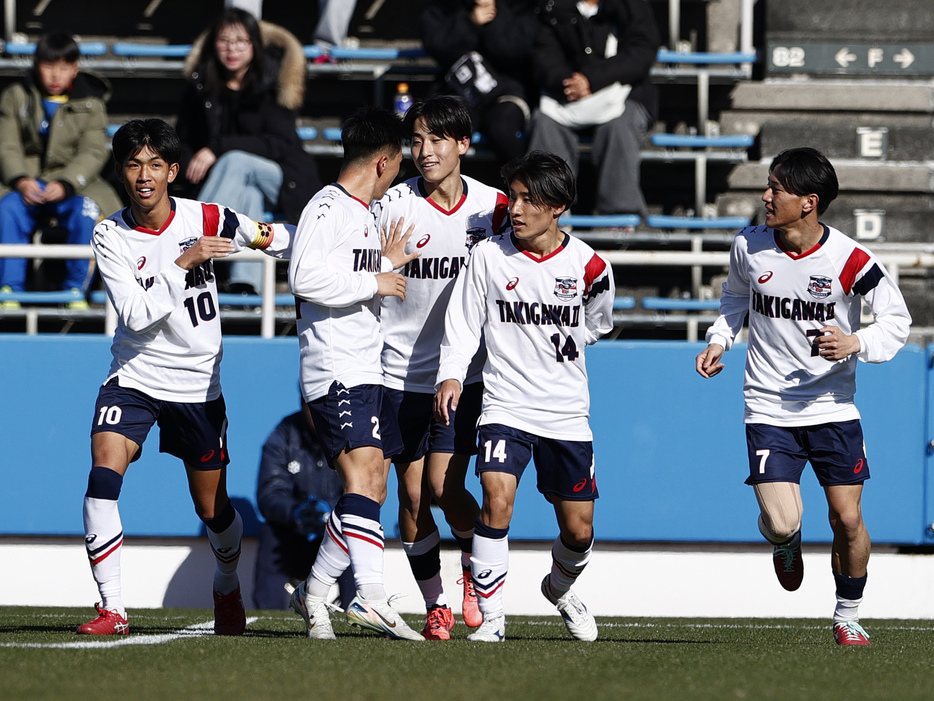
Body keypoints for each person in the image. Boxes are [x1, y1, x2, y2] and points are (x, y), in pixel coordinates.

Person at [77, 118, 293, 636]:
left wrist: (327, 242)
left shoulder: (208, 215)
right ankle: (113, 609)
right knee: (103, 475)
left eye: (155, 164)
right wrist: (185, 260)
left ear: (174, 171)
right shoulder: (110, 235)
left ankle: (225, 583)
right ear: (121, 172)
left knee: (213, 509)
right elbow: (135, 314)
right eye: (133, 164)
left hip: (198, 386)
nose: (144, 175)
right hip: (133, 376)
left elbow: (271, 238)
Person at [695, 147, 912, 647]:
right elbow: (734, 299)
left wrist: (856, 342)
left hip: (833, 407)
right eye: (767, 186)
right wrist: (718, 340)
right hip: (767, 404)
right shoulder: (749, 245)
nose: (765, 196)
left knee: (848, 518)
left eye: (777, 188)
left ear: (809, 202)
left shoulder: (851, 259)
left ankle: (847, 613)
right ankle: (785, 540)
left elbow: (898, 321)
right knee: (781, 519)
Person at [434, 150, 615, 642]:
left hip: (565, 413)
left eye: (528, 199)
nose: (515, 208)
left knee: (578, 532)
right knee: (496, 501)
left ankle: (559, 588)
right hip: (505, 404)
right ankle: (492, 620)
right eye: (513, 197)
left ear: (557, 207)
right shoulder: (488, 256)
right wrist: (451, 375)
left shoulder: (591, 267)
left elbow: (597, 325)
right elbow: (464, 324)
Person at [285, 107, 423, 642]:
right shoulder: (328, 205)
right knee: (362, 477)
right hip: (335, 369)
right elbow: (303, 275)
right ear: (384, 162)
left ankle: (315, 593)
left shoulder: (362, 213)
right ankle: (369, 593)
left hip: (368, 367)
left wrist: (381, 264)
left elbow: (348, 269)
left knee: (373, 487)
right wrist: (375, 281)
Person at [380, 95, 510, 639]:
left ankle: (475, 572)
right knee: (411, 498)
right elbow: (356, 270)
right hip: (396, 372)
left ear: (463, 144)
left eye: (436, 140)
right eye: (416, 140)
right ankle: (435, 604)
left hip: (466, 373)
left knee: (443, 487)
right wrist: (382, 264)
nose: (424, 151)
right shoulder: (391, 205)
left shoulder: (496, 207)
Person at [176, 7, 321, 295]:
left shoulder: (272, 83)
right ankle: (247, 287)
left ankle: (188, 241)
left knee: (236, 161)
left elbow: (280, 144)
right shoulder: (201, 86)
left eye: (241, 41)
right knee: (248, 197)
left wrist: (216, 149)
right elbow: (184, 139)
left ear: (255, 44)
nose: (232, 49)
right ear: (212, 44)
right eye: (224, 41)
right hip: (234, 184)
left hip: (282, 178)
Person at [0, 31, 122, 305]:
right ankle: (9, 289)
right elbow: (6, 145)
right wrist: (20, 179)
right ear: (36, 65)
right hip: (23, 183)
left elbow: (93, 151)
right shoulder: (15, 97)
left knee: (87, 212)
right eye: (48, 66)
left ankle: (75, 290)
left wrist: (67, 183)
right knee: (7, 209)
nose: (56, 75)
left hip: (77, 185)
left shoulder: (92, 104)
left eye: (64, 67)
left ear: (75, 69)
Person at [527, 0, 660, 217]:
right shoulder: (552, 6)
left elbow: (642, 51)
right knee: (544, 123)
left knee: (620, 125)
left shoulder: (632, 6)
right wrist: (568, 84)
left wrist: (592, 80)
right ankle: (549, 214)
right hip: (566, 94)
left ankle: (620, 217)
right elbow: (542, 54)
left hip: (625, 92)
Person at [253, 399, 354, 610]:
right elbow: (269, 493)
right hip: (294, 535)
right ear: (303, 403)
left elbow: (363, 492)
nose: (321, 414)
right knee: (271, 533)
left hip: (335, 534)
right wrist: (296, 513)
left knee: (354, 534)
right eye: (315, 407)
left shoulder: (351, 435)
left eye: (328, 406)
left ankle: (357, 611)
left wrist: (330, 513)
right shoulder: (283, 434)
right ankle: (268, 616)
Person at [420, 0, 539, 164]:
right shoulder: (444, 6)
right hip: (458, 91)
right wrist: (469, 22)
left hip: (507, 92)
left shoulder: (520, 7)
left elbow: (515, 52)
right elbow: (436, 46)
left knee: (502, 128)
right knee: (449, 131)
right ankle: (443, 188)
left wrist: (493, 17)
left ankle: (520, 186)